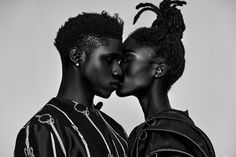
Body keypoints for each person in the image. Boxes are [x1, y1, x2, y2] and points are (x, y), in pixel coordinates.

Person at [14, 11, 128, 157]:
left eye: (118, 61)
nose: (118, 70)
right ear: (76, 56)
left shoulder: (117, 131)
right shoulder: (43, 130)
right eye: (109, 60)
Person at [116, 0, 215, 156]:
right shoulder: (152, 131)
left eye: (127, 59)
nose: (117, 68)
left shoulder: (169, 135)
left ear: (159, 69)